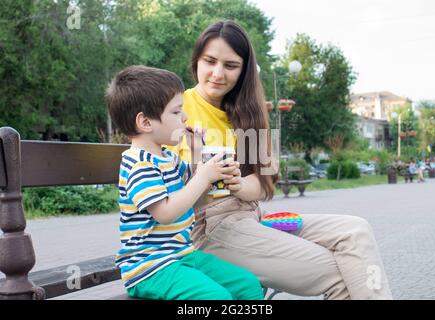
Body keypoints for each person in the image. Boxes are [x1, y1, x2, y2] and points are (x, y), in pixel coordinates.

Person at [170, 20, 392, 299]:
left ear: (243, 70)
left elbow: (263, 187)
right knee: (346, 275)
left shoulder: (250, 113)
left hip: (251, 217)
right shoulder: (177, 109)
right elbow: (158, 180)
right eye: (210, 61)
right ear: (197, 61)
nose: (217, 73)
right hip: (208, 229)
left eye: (230, 65)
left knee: (356, 231)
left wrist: (235, 183)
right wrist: (201, 170)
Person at [105, 65, 264, 300]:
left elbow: (195, 196)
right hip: (150, 267)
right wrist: (202, 176)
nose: (185, 117)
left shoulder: (168, 157)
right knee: (215, 298)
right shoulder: (138, 163)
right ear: (146, 123)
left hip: (182, 255)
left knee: (248, 286)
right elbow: (166, 213)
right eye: (177, 111)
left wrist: (198, 153)